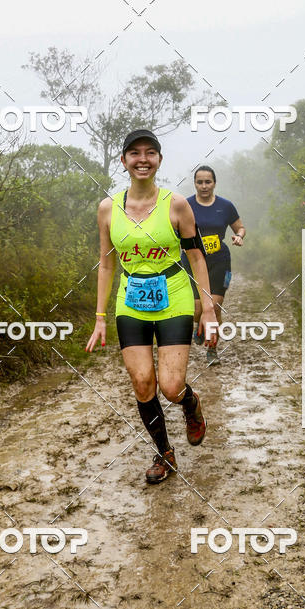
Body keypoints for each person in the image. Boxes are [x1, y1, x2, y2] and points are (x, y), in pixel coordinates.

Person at [86, 130, 218, 485]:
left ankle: (191, 406)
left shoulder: (176, 204)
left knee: (171, 386)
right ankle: (164, 453)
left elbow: (195, 255)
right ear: (124, 161)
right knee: (143, 383)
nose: (142, 159)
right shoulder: (107, 208)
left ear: (159, 159)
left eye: (150, 153)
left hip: (173, 296)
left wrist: (207, 309)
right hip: (131, 301)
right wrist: (99, 318)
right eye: (134, 153)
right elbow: (107, 263)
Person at [183, 165, 245, 366]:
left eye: (207, 182)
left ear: (214, 183)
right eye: (199, 182)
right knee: (198, 309)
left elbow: (240, 227)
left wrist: (239, 236)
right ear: (194, 183)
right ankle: (199, 325)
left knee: (215, 306)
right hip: (192, 261)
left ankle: (212, 350)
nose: (203, 186)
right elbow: (174, 230)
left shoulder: (225, 206)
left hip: (219, 260)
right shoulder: (185, 205)